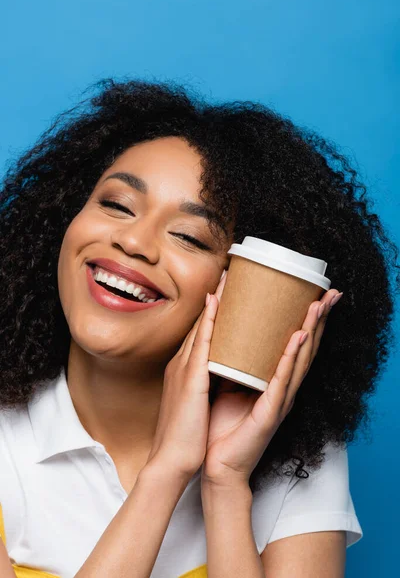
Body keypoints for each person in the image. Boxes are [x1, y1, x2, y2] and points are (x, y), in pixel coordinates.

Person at [0, 80, 398, 578]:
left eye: (189, 236)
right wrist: (164, 473)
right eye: (118, 205)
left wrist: (226, 483)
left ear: (246, 291)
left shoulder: (295, 453)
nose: (135, 242)